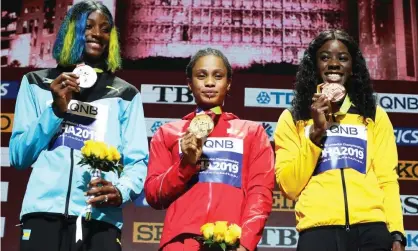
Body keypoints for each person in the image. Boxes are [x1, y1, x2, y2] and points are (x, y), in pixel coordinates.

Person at [9, 1, 149, 250]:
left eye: (105, 29)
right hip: (43, 215)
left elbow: (137, 162)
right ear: (71, 30)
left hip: (100, 218)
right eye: (89, 26)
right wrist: (55, 110)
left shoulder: (126, 94)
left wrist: (121, 191)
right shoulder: (36, 83)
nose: (97, 34)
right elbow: (19, 156)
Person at [274, 29, 405, 251]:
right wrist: (315, 133)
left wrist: (396, 232)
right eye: (325, 57)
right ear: (314, 66)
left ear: (353, 67)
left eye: (342, 58)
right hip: (318, 232)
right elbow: (289, 186)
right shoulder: (294, 118)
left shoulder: (373, 115)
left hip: (371, 230)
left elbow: (386, 179)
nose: (334, 64)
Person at [145, 48, 274, 251]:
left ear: (228, 83)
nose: (210, 83)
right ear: (189, 83)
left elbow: (260, 194)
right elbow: (154, 195)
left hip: (232, 243)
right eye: (201, 76)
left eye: (218, 76)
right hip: (180, 243)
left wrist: (246, 244)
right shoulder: (168, 133)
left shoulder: (252, 132)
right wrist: (185, 165)